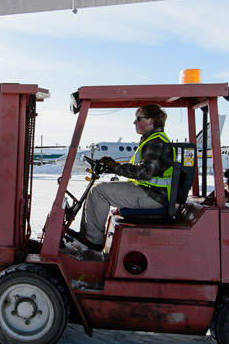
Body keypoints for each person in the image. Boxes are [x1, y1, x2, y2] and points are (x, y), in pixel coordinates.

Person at [71, 104, 174, 251]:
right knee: (98, 188)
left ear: (151, 121)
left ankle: (93, 240)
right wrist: (112, 166)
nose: (134, 122)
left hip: (153, 195)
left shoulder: (156, 142)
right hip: (150, 192)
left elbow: (145, 172)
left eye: (138, 118)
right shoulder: (151, 140)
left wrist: (115, 167)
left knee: (99, 192)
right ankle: (88, 235)